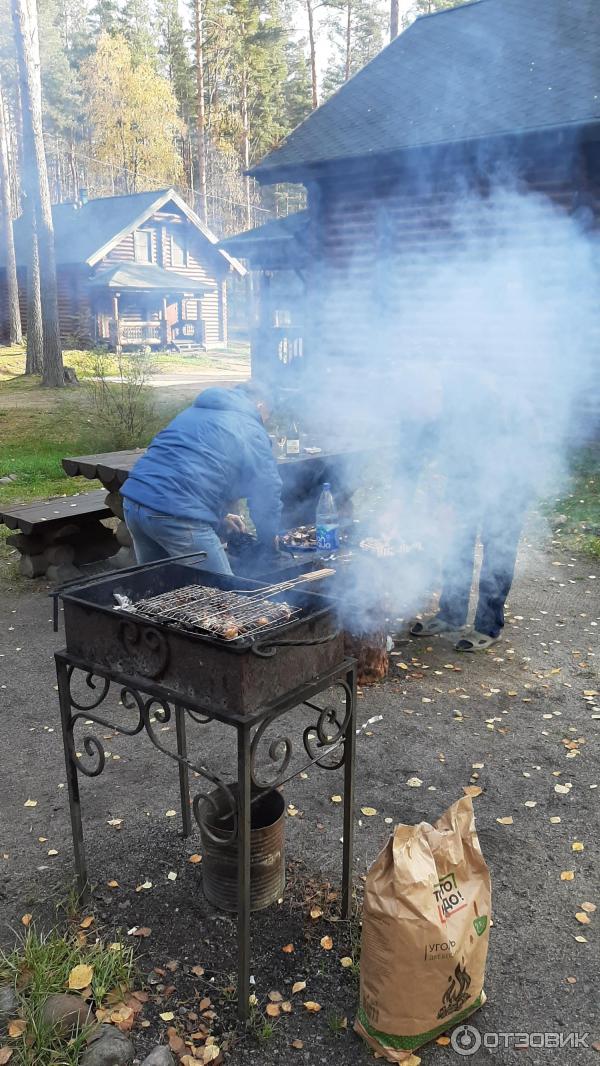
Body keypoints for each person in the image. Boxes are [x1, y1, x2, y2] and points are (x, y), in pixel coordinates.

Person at [410, 367, 536, 652]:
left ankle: (488, 626)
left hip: (510, 478)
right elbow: (450, 451)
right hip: (468, 473)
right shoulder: (449, 401)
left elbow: (506, 455)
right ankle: (451, 615)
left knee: (498, 546)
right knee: (456, 541)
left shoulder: (493, 403)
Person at [121, 382, 282, 574]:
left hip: (134, 502)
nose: (263, 423)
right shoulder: (249, 426)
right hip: (176, 515)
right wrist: (269, 537)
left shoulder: (194, 412)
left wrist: (220, 516)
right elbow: (266, 489)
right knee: (222, 598)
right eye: (266, 417)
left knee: (159, 589)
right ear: (260, 405)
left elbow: (201, 469)